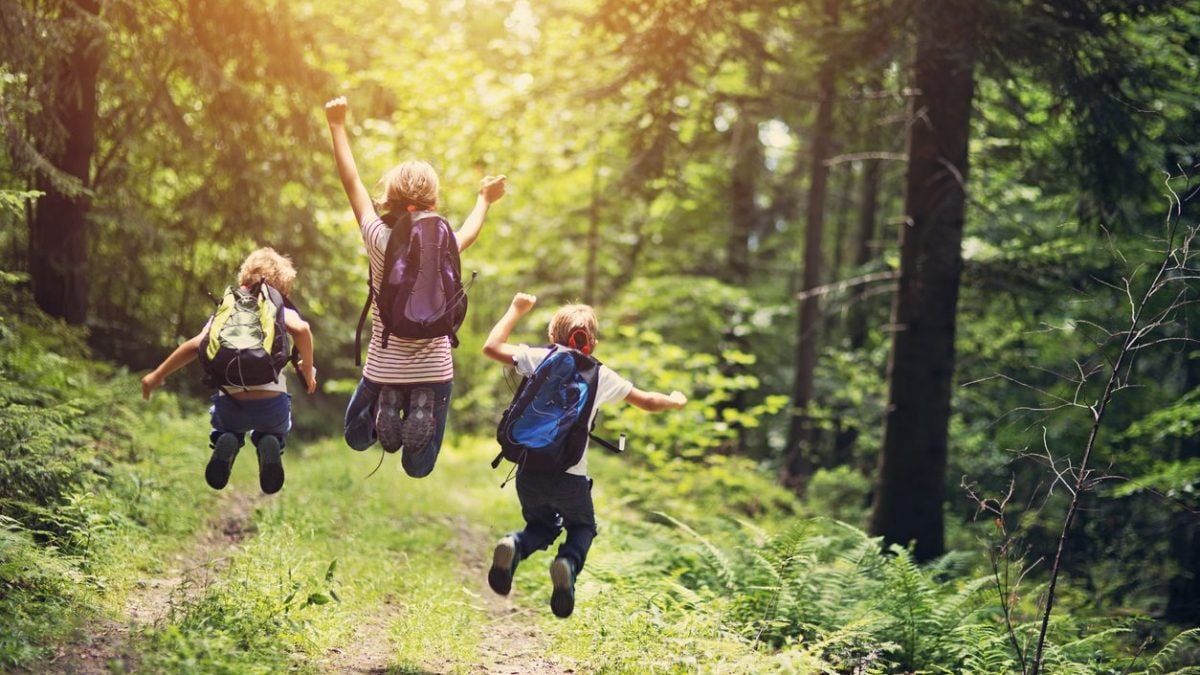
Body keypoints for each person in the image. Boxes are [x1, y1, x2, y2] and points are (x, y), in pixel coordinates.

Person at [324, 95, 506, 477]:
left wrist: (337, 125)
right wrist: (484, 199)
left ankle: (386, 401)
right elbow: (470, 230)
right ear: (433, 199)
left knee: (357, 436)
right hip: (435, 368)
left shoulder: (377, 237)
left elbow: (351, 181)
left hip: (383, 365)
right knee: (418, 467)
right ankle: (417, 401)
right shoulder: (444, 243)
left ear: (390, 197)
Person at [481, 292, 687, 617]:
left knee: (542, 525)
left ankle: (514, 546)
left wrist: (516, 309)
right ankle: (567, 563)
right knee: (582, 527)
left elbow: (491, 347)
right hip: (571, 477)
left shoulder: (539, 357)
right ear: (592, 342)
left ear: (553, 336)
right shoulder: (601, 374)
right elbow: (647, 401)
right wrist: (675, 400)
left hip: (529, 471)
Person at [141, 247, 317, 494]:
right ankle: (270, 442)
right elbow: (302, 330)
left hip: (230, 407)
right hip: (271, 407)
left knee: (227, 427)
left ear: (243, 277)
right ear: (282, 286)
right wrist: (307, 369)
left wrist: (156, 375)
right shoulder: (276, 305)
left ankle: (228, 439)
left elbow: (194, 345)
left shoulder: (227, 308)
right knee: (276, 429)